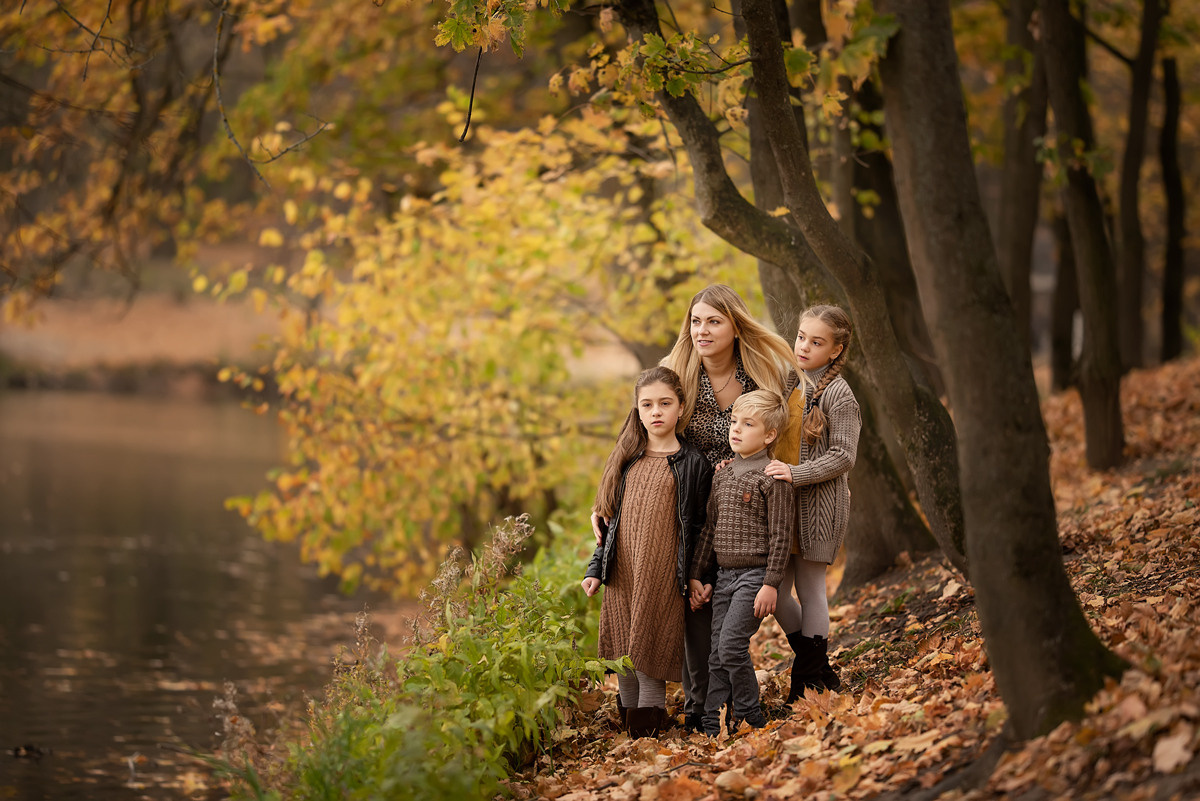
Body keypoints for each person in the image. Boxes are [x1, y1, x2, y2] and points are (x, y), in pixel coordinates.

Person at [582, 366, 714, 738]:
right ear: (637, 411)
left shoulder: (692, 463)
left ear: (680, 406)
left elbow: (702, 526)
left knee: (649, 648)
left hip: (661, 576)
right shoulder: (626, 458)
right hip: (623, 573)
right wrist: (596, 569)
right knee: (624, 652)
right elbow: (606, 523)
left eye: (664, 403)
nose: (656, 411)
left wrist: (698, 575)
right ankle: (631, 732)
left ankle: (647, 736)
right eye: (647, 405)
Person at [765, 304, 861, 699]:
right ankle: (820, 671)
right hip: (781, 506)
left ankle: (804, 682)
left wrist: (796, 474)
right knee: (773, 593)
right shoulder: (790, 382)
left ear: (835, 350)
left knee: (810, 589)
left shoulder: (840, 394)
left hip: (820, 506)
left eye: (816, 342)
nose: (804, 346)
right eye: (802, 337)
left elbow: (843, 455)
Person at [689, 389, 794, 735]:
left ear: (768, 435)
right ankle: (712, 721)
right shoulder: (723, 474)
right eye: (734, 421)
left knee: (731, 646)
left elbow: (781, 536)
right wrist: (696, 574)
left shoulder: (773, 477)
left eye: (747, 424)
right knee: (717, 653)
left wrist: (770, 583)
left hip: (754, 576)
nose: (735, 429)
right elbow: (709, 531)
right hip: (723, 577)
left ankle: (751, 716)